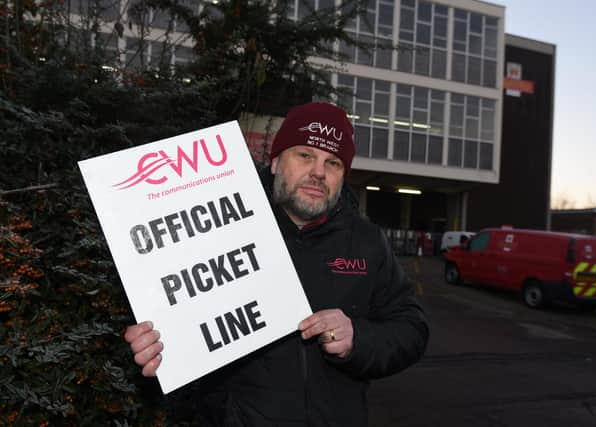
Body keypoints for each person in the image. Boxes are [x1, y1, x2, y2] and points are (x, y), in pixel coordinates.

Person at [125, 102, 429, 426]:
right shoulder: (219, 232)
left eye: (333, 162)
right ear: (274, 162)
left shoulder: (368, 243)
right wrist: (155, 346)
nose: (318, 172)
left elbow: (411, 328)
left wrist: (358, 338)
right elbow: (178, 323)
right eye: (305, 156)